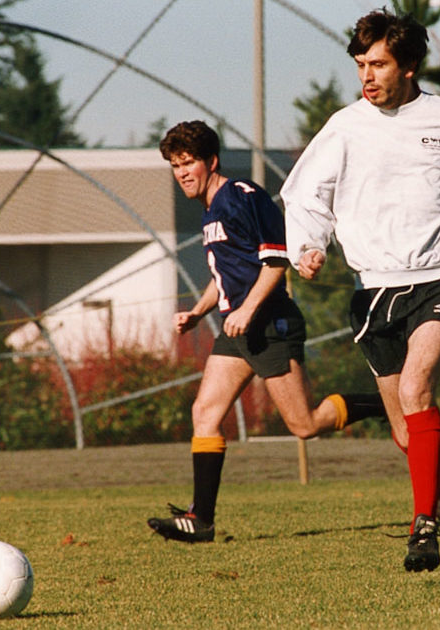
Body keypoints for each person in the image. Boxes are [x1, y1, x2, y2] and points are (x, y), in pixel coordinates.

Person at [281, 9, 440, 571]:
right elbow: (304, 195)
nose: (367, 76)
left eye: (380, 64)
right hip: (375, 288)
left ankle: (423, 527)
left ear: (410, 65)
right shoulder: (344, 127)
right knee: (404, 433)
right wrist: (308, 246)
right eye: (361, 65)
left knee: (417, 388)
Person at [147, 120, 385, 543]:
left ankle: (391, 403)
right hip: (239, 329)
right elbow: (226, 275)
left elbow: (276, 262)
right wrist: (199, 313)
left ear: (211, 161)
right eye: (175, 165)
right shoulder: (210, 211)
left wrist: (247, 309)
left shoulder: (242, 197)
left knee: (305, 425)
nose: (182, 172)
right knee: (204, 413)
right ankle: (201, 518)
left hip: (270, 324)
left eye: (189, 163)